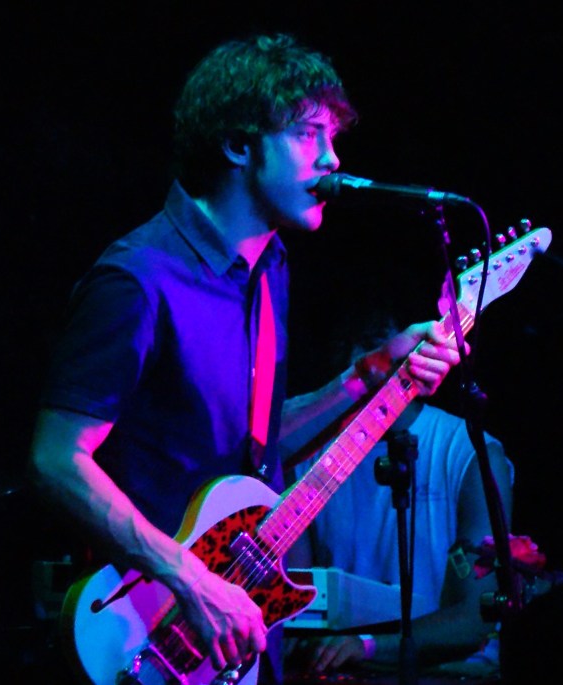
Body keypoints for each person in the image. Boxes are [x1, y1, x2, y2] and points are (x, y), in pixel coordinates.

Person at [28, 33, 465, 685]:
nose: (333, 159)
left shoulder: (269, 267)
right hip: (146, 634)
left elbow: (249, 450)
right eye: (309, 135)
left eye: (332, 137)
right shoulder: (137, 280)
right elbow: (55, 459)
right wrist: (191, 579)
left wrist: (366, 378)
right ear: (238, 145)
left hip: (239, 636)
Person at [282, 316, 514, 677]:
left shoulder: (469, 453)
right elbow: (300, 603)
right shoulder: (305, 456)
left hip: (450, 674)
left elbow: (475, 617)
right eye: (350, 348)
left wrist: (366, 646)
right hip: (343, 672)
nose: (363, 359)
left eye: (376, 343)